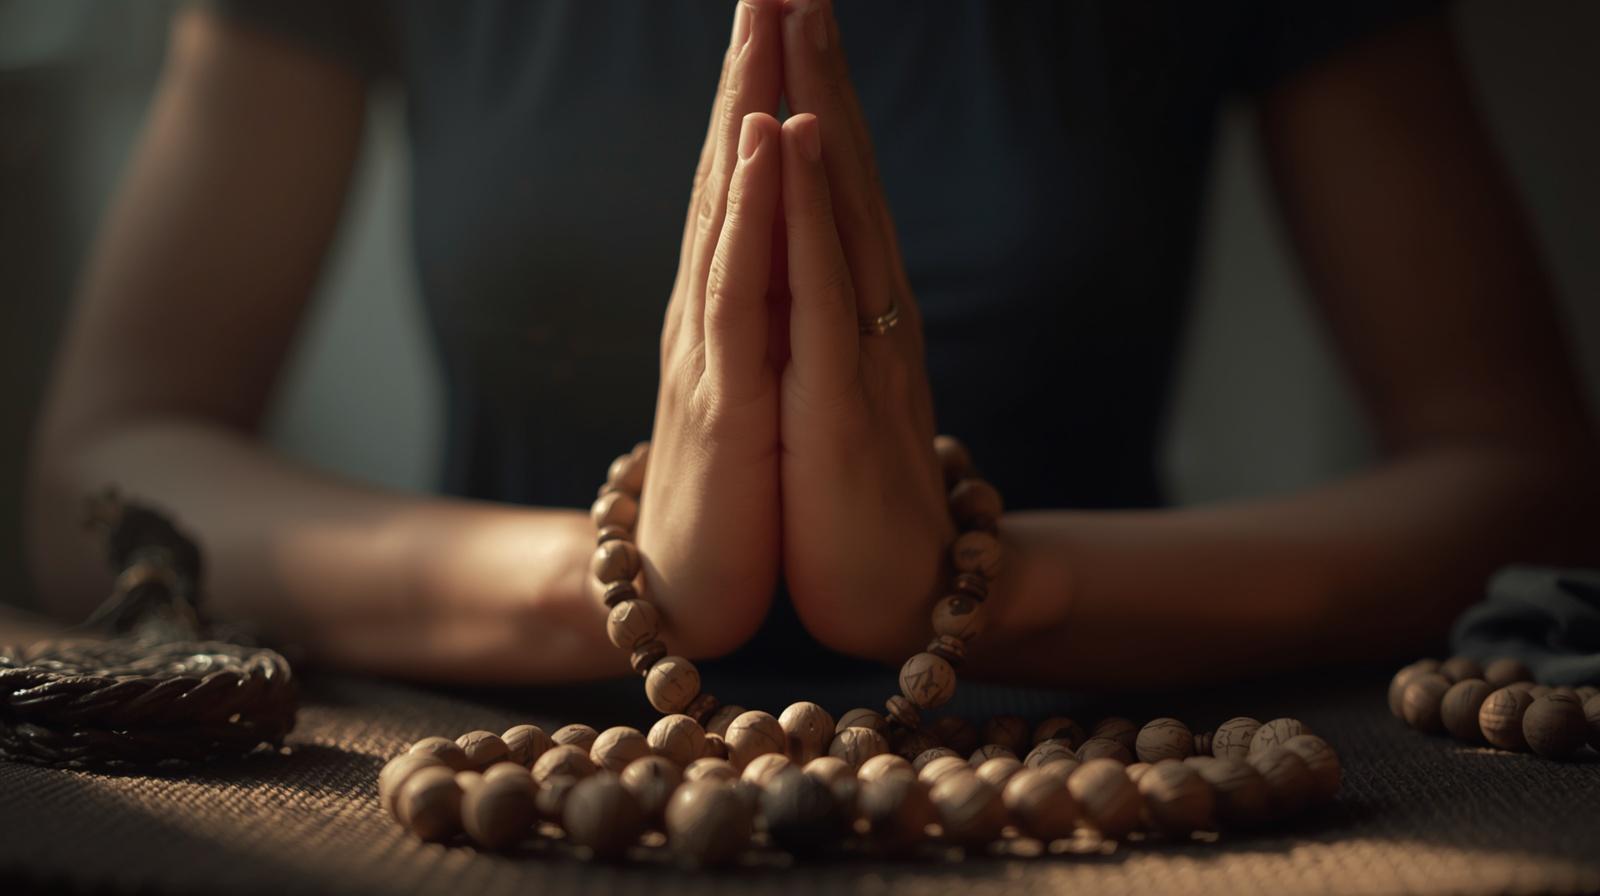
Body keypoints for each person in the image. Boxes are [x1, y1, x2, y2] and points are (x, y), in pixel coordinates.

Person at [25, 0, 1599, 689]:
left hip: (1128, 771)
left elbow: (1520, 480)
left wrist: (993, 586)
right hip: (483, 771)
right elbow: (102, 470)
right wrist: (620, 588)